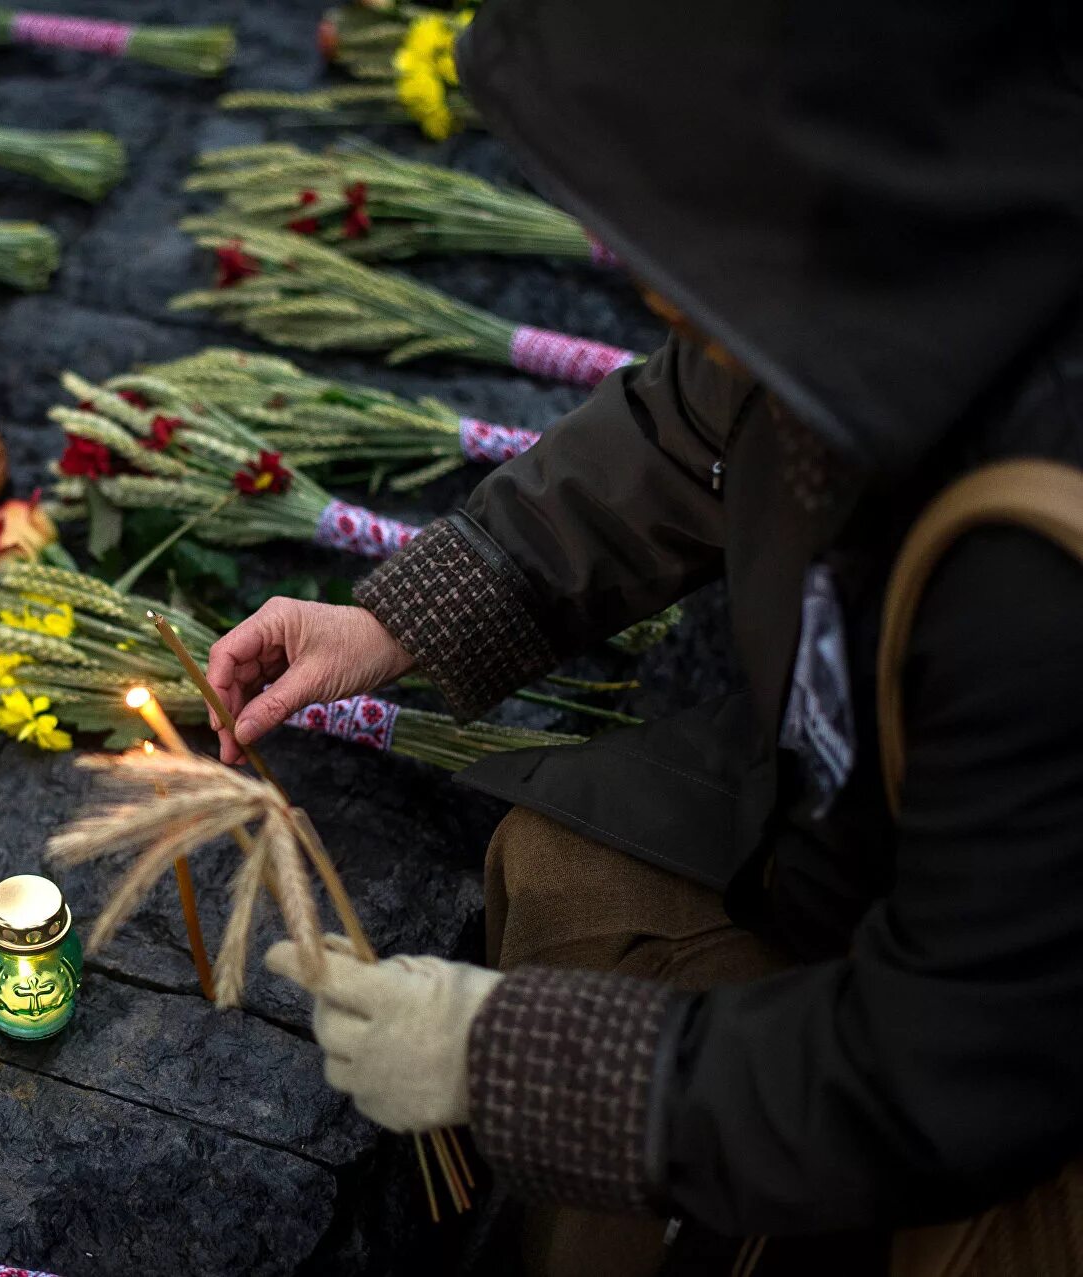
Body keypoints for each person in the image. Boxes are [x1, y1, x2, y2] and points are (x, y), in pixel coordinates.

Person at [207, 1, 1083, 1272]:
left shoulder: (1036, 582)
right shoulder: (872, 260)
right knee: (575, 880)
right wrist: (395, 616)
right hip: (864, 853)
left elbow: (950, 1069)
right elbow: (691, 430)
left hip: (1002, 1075)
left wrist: (501, 1060)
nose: (630, 269)